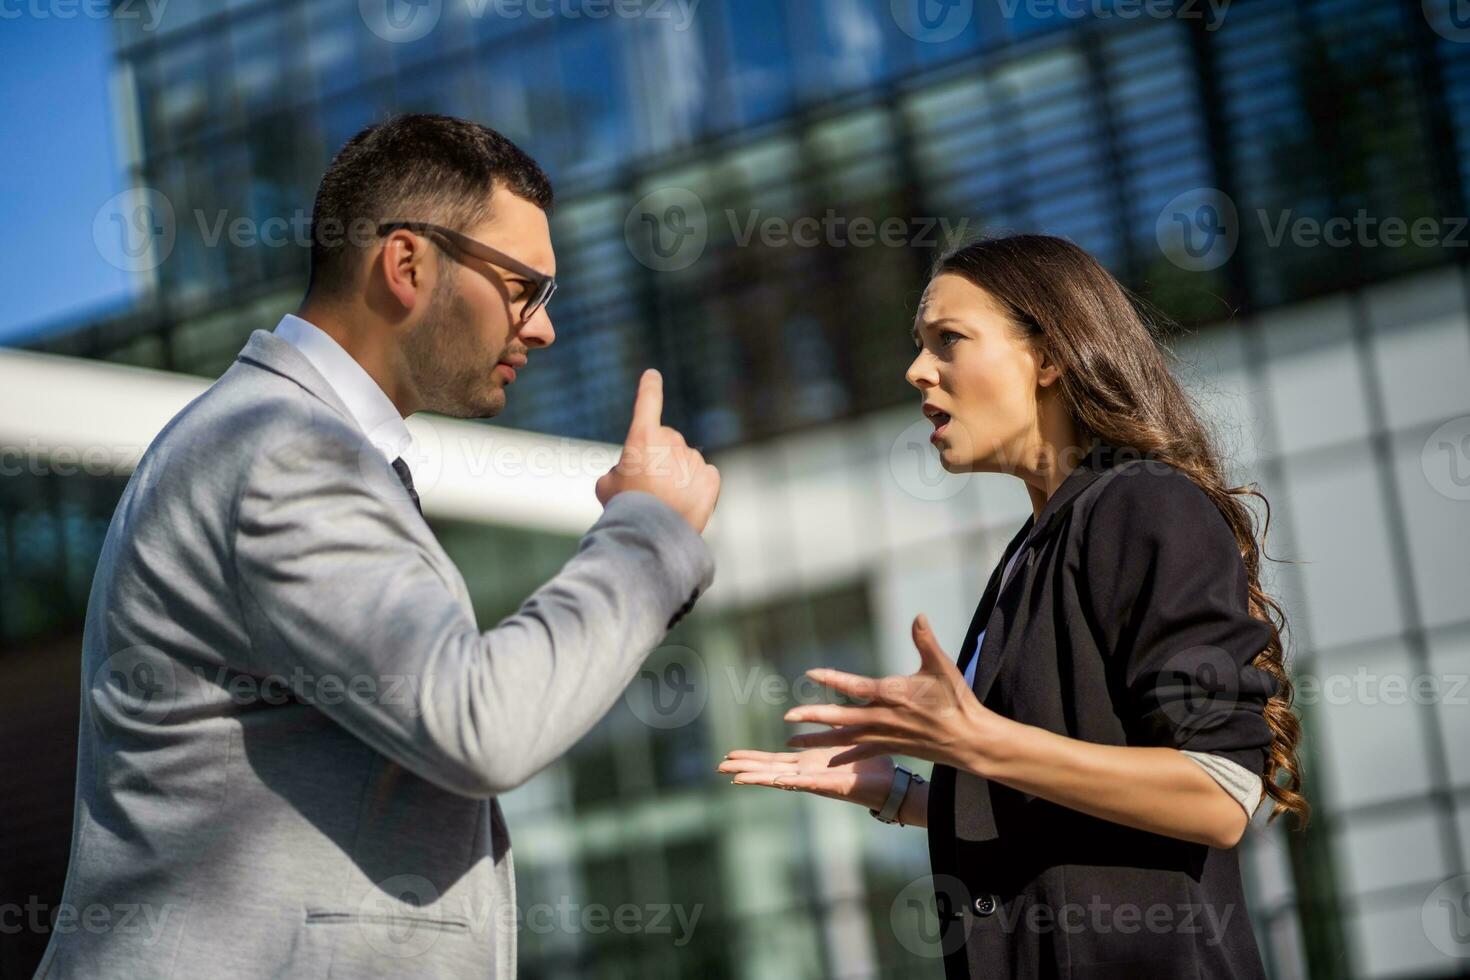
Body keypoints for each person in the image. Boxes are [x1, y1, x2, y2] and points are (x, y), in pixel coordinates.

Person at [36, 113, 720, 979]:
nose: (542, 329)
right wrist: (647, 534)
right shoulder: (284, 451)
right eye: (523, 288)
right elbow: (480, 724)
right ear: (407, 266)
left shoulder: (280, 443)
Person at [720, 234, 1307, 979]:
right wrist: (904, 794)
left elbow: (1219, 793)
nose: (916, 370)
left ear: (1051, 356)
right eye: (919, 344)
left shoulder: (1145, 504)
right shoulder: (1038, 544)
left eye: (949, 340)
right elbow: (1069, 808)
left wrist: (976, 742)